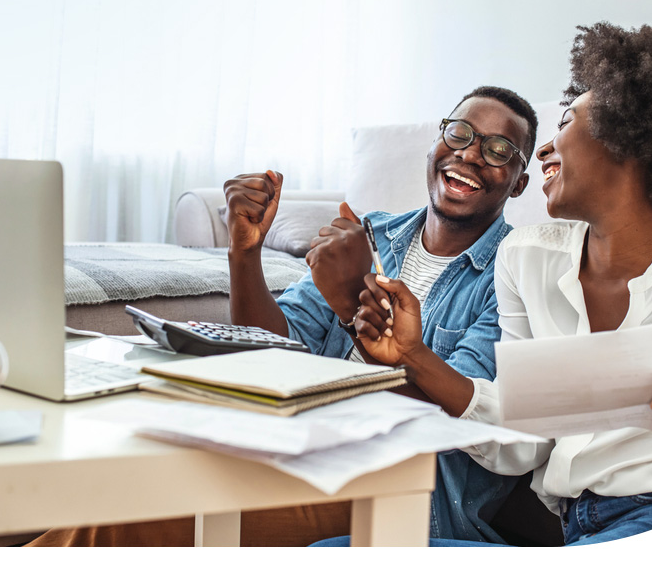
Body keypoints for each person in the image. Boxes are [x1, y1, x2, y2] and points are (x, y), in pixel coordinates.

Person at [317, 21, 652, 547]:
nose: (543, 149)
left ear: (628, 138)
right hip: (572, 528)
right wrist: (412, 355)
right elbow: (521, 441)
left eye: (565, 122)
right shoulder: (528, 258)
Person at [223, 85, 538, 544]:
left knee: (147, 520)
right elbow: (271, 347)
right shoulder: (374, 234)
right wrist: (243, 252)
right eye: (459, 133)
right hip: (295, 447)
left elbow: (455, 414)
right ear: (435, 143)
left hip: (393, 494)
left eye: (497, 150)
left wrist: (353, 309)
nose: (470, 154)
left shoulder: (515, 271)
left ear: (519, 183)